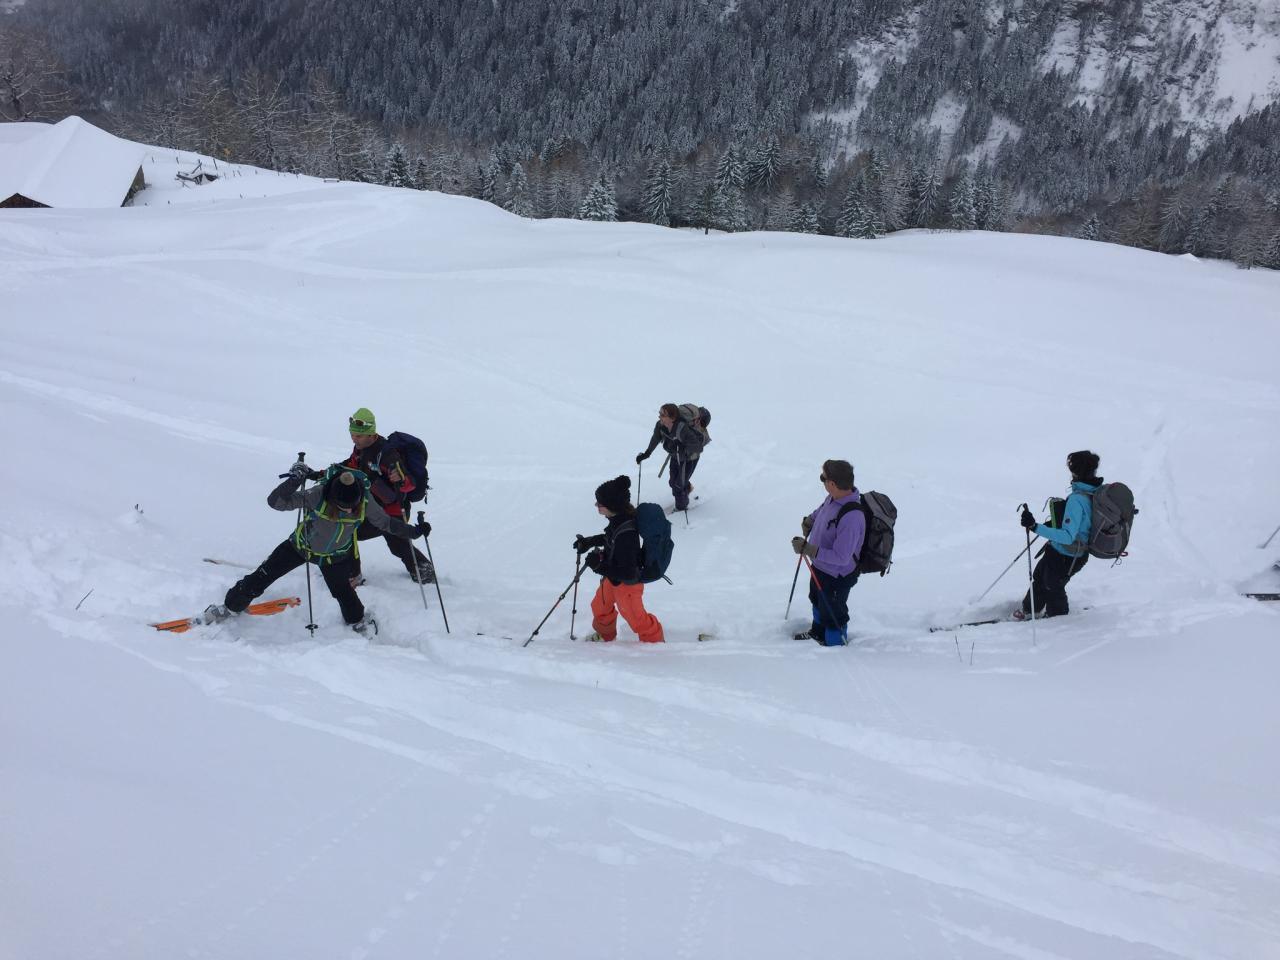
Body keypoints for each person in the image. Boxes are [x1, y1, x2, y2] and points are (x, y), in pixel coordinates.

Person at [205, 461, 425, 633]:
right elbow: (276, 502)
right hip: (300, 547)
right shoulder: (318, 494)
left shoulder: (365, 500)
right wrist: (292, 481)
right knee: (261, 577)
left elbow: (385, 523)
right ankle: (230, 607)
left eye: (351, 507)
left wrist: (413, 532)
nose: (347, 511)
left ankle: (358, 622)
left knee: (345, 594)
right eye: (341, 507)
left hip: (335, 556)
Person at [343, 407, 434, 585]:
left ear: (371, 433)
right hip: (373, 510)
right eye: (352, 434)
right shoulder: (360, 450)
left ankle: (352, 576)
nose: (354, 439)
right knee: (395, 543)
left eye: (358, 435)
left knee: (350, 531)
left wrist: (401, 478)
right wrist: (321, 473)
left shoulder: (387, 454)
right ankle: (424, 570)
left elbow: (410, 483)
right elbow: (350, 466)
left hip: (392, 512)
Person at [573, 475, 665, 643]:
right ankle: (605, 636)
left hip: (628, 585)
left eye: (599, 503)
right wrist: (589, 542)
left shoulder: (627, 534)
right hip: (613, 577)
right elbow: (610, 538)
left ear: (611, 506)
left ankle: (655, 644)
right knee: (599, 607)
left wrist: (599, 566)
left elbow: (628, 574)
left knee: (637, 620)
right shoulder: (617, 519)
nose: (596, 505)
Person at [1015, 450, 1101, 619]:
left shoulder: (1078, 499)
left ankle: (1058, 620)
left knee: (1052, 585)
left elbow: (1068, 536)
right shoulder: (1092, 492)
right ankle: (1029, 610)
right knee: (1040, 577)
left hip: (1069, 554)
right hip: (1061, 551)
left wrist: (1035, 527)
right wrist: (1051, 525)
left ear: (1076, 472)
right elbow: (1081, 524)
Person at [791, 460, 866, 646]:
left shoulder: (852, 518)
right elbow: (822, 512)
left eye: (823, 478)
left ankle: (834, 646)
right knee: (816, 600)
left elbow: (841, 558)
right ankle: (817, 633)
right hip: (820, 567)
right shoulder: (833, 498)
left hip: (837, 575)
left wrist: (809, 550)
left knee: (833, 612)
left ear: (832, 484)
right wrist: (810, 520)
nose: (822, 481)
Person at [635, 403, 706, 514]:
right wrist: (647, 453)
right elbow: (655, 438)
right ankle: (686, 489)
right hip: (675, 456)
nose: (660, 417)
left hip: (689, 459)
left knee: (678, 485)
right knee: (673, 482)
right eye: (659, 413)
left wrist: (682, 446)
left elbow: (698, 447)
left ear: (672, 418)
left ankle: (681, 509)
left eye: (663, 415)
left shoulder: (682, 429)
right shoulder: (660, 425)